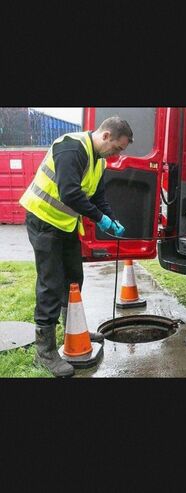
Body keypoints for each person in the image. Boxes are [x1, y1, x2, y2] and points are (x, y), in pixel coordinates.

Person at [19, 116, 133, 377]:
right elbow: (69, 192)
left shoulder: (99, 161)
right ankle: (45, 352)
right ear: (105, 136)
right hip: (43, 219)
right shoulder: (71, 147)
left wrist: (111, 218)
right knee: (51, 282)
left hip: (66, 224)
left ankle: (75, 329)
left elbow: (98, 197)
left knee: (73, 278)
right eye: (117, 148)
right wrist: (99, 218)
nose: (116, 155)